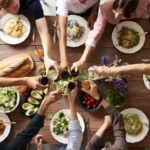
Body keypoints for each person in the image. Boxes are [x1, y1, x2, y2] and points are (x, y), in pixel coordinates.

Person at [71, 0, 150, 71]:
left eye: (121, 15)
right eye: (115, 11)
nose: (116, 17)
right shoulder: (106, 5)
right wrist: (82, 60)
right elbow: (97, 31)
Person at [0, 0, 59, 73]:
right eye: (8, 11)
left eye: (16, 7)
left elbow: (43, 31)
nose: (14, 13)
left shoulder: (33, 3)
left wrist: (47, 57)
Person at [56, 0, 99, 71]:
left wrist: (93, 12)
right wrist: (63, 60)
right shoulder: (63, 2)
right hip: (69, 10)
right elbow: (62, 31)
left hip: (90, 9)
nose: (83, 2)